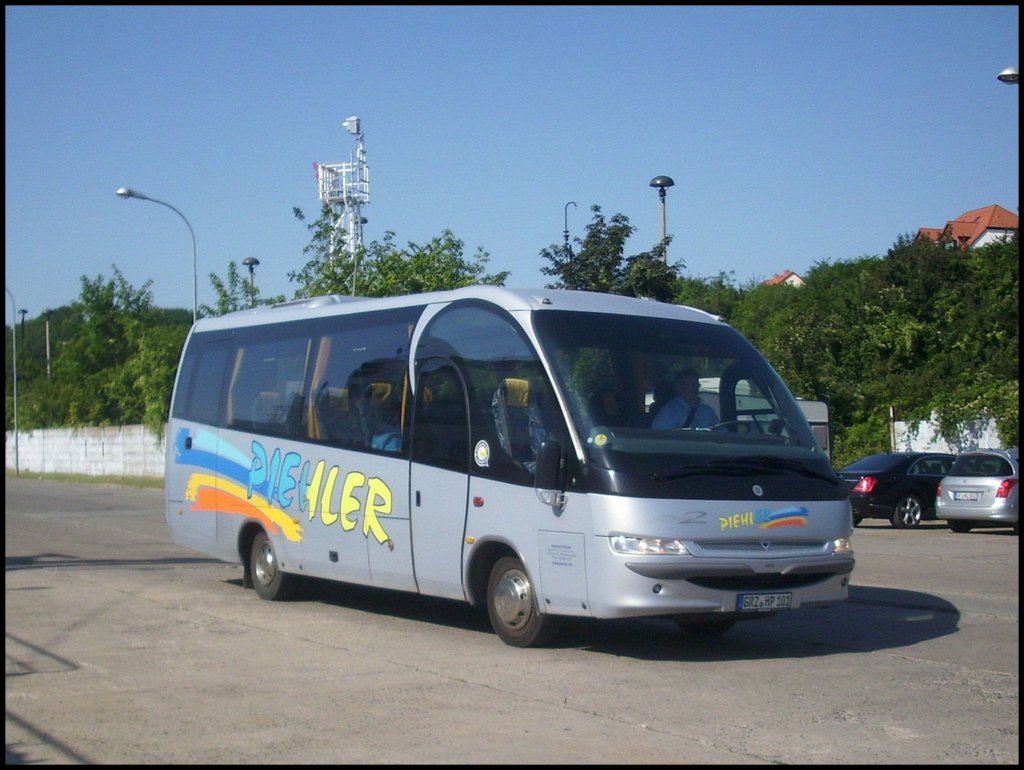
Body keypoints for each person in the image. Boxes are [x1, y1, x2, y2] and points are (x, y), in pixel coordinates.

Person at [651, 369, 718, 429]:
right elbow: (660, 437)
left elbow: (721, 432)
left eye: (697, 383)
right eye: (692, 383)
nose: (697, 386)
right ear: (680, 387)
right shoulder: (668, 412)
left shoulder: (707, 411)